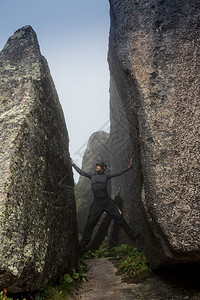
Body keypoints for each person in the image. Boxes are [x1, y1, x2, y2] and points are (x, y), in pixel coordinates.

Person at [71, 158, 138, 250]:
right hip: (97, 203)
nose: (96, 167)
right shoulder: (92, 175)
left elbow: (118, 173)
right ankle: (84, 242)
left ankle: (132, 235)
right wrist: (73, 164)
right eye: (96, 165)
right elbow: (82, 172)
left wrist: (129, 167)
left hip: (107, 202)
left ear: (102, 168)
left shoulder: (106, 176)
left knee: (119, 218)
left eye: (98, 166)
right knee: (90, 223)